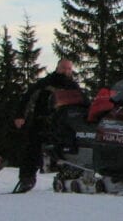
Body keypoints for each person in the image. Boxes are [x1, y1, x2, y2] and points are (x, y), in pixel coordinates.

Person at [13, 58, 83, 193]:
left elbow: (83, 102)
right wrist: (20, 115)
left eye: (69, 68)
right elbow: (28, 97)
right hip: (42, 121)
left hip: (65, 124)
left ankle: (71, 174)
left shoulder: (73, 87)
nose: (66, 71)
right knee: (32, 148)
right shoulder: (45, 83)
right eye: (64, 68)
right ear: (57, 68)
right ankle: (27, 179)